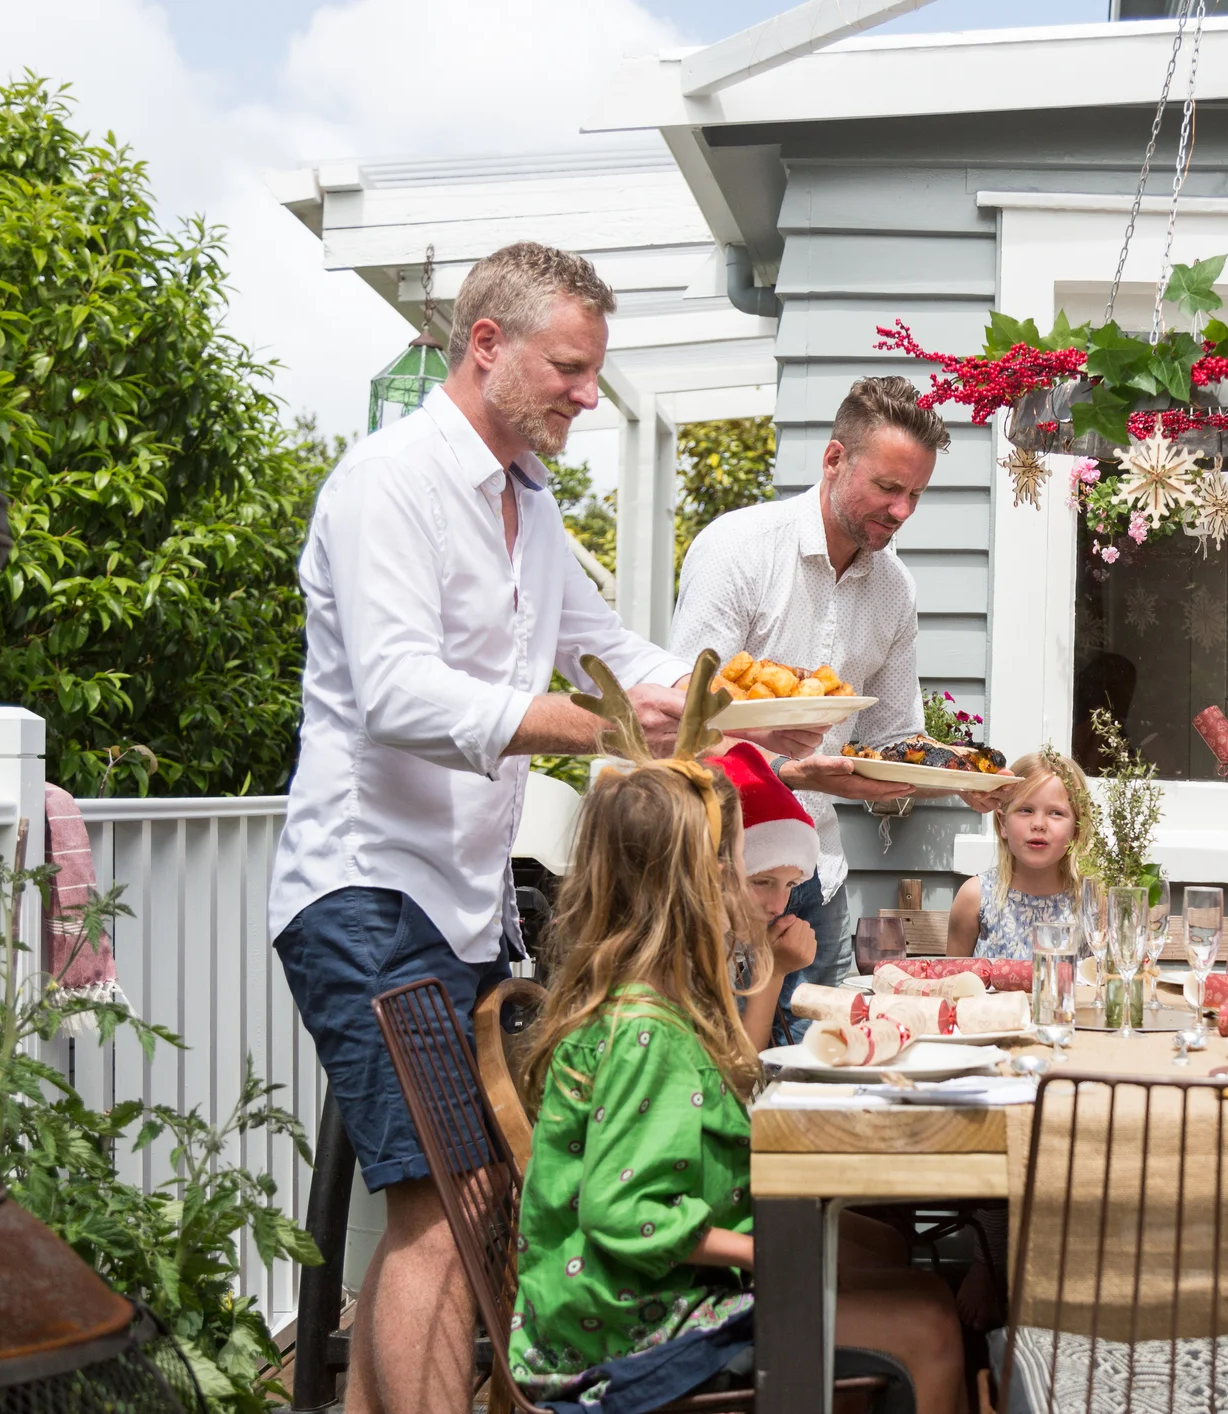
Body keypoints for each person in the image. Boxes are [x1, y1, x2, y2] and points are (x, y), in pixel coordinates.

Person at [268, 242, 822, 1414]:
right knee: (452, 1203)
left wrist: (757, 723)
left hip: (462, 893)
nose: (584, 391)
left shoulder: (527, 502)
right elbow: (397, 693)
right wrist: (598, 727)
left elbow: (618, 656)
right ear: (487, 347)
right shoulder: (392, 482)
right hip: (367, 888)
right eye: (568, 368)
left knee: (452, 1201)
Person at [509, 750, 964, 1413]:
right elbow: (622, 1212)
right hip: (628, 1332)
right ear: (697, 885)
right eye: (742, 870)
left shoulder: (653, 1000)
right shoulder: (648, 1032)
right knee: (928, 1328)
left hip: (627, 1303)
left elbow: (714, 1095)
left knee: (920, 1296)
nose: (773, 896)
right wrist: (765, 1251)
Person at [671, 376, 998, 1039]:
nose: (902, 509)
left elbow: (889, 736)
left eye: (915, 495)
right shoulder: (738, 550)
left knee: (814, 1071)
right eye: (886, 487)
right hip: (722, 876)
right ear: (833, 460)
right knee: (725, 1065)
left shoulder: (894, 591)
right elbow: (683, 718)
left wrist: (959, 778)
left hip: (818, 877)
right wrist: (792, 773)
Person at [711, 743, 822, 1047]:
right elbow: (738, 1077)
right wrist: (773, 974)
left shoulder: (727, 943)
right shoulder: (688, 958)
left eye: (791, 885)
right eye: (761, 881)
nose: (778, 906)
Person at [946, 749, 1091, 959]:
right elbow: (954, 983)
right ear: (1003, 823)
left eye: (1056, 813)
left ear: (1077, 829)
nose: (1039, 824)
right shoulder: (976, 898)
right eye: (1026, 810)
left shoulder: (1092, 901)